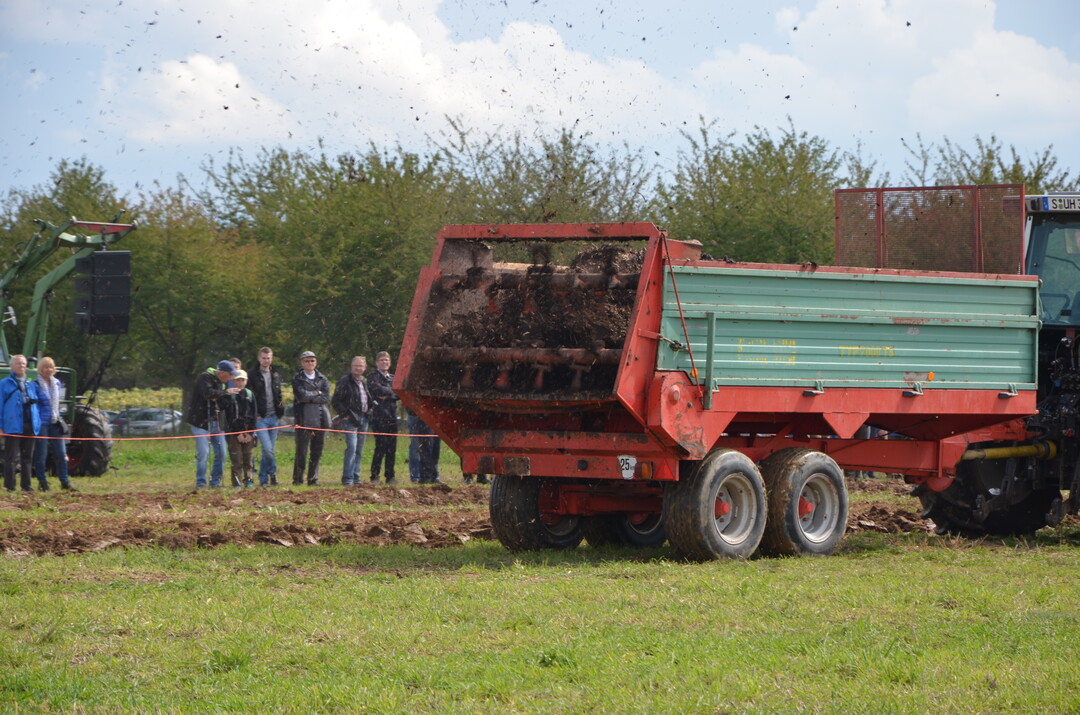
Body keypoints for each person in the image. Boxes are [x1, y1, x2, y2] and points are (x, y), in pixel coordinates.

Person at [185, 360, 239, 489]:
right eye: (230, 374)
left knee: (221, 453)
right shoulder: (204, 377)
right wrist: (224, 393)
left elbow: (221, 402)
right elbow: (207, 393)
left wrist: (228, 398)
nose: (232, 377)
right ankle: (201, 482)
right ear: (222, 373)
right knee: (203, 453)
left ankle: (215, 481)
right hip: (200, 423)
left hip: (216, 422)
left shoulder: (224, 384)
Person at [32, 356, 78, 492]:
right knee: (42, 454)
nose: (48, 370)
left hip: (55, 421)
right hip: (42, 423)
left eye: (50, 367)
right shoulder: (35, 385)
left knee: (61, 452)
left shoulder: (57, 383)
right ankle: (43, 481)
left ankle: (65, 481)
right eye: (45, 367)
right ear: (40, 369)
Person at [1, 355, 43, 492]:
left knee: (27, 457)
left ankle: (26, 485)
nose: (22, 366)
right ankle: (10, 485)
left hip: (29, 425)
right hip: (13, 425)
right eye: (19, 363)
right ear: (12, 366)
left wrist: (37, 423)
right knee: (11, 457)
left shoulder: (31, 384)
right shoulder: (4, 384)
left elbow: (36, 405)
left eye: (24, 364)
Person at [292, 350, 331, 486]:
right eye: (307, 361)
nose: (310, 363)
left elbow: (326, 397)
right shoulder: (298, 378)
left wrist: (312, 396)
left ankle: (313, 478)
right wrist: (317, 393)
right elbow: (301, 396)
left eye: (312, 360)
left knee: (316, 451)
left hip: (320, 419)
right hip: (303, 419)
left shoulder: (322, 378)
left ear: (316, 362)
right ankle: (297, 479)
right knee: (301, 452)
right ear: (302, 363)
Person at [331, 355, 371, 486]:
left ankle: (356, 477)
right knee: (352, 448)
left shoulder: (363, 382)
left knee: (359, 449)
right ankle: (347, 478)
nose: (358, 368)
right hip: (350, 419)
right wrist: (344, 414)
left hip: (363, 418)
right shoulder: (345, 381)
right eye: (356, 365)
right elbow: (336, 400)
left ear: (365, 368)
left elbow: (367, 399)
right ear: (351, 366)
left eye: (361, 366)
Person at [248, 347, 285, 486]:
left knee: (267, 450)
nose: (266, 360)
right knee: (268, 449)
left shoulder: (275, 374)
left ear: (272, 358)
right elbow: (250, 396)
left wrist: (281, 408)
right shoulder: (252, 375)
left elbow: (279, 394)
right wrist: (255, 413)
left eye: (268, 358)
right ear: (259, 358)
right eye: (264, 358)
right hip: (261, 418)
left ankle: (263, 479)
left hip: (274, 416)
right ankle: (273, 473)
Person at [367, 351, 399, 484]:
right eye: (381, 360)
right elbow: (377, 391)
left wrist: (388, 394)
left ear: (390, 362)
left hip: (392, 415)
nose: (384, 362)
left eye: (386, 360)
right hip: (379, 415)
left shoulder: (393, 377)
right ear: (377, 363)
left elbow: (399, 393)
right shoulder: (372, 376)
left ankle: (390, 476)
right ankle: (375, 476)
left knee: (392, 447)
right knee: (381, 446)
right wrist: (390, 392)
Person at [223, 369, 257, 488]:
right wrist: (237, 433)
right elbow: (229, 416)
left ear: (246, 381)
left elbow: (254, 414)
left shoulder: (250, 394)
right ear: (234, 381)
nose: (240, 382)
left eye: (242, 380)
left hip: (249, 432)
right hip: (234, 433)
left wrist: (250, 433)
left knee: (248, 457)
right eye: (238, 380)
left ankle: (249, 480)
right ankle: (236, 482)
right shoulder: (230, 396)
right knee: (236, 458)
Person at [408, 409, 441, 484]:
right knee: (425, 447)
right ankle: (424, 476)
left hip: (435, 416)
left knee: (435, 448)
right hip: (421, 416)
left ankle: (433, 475)